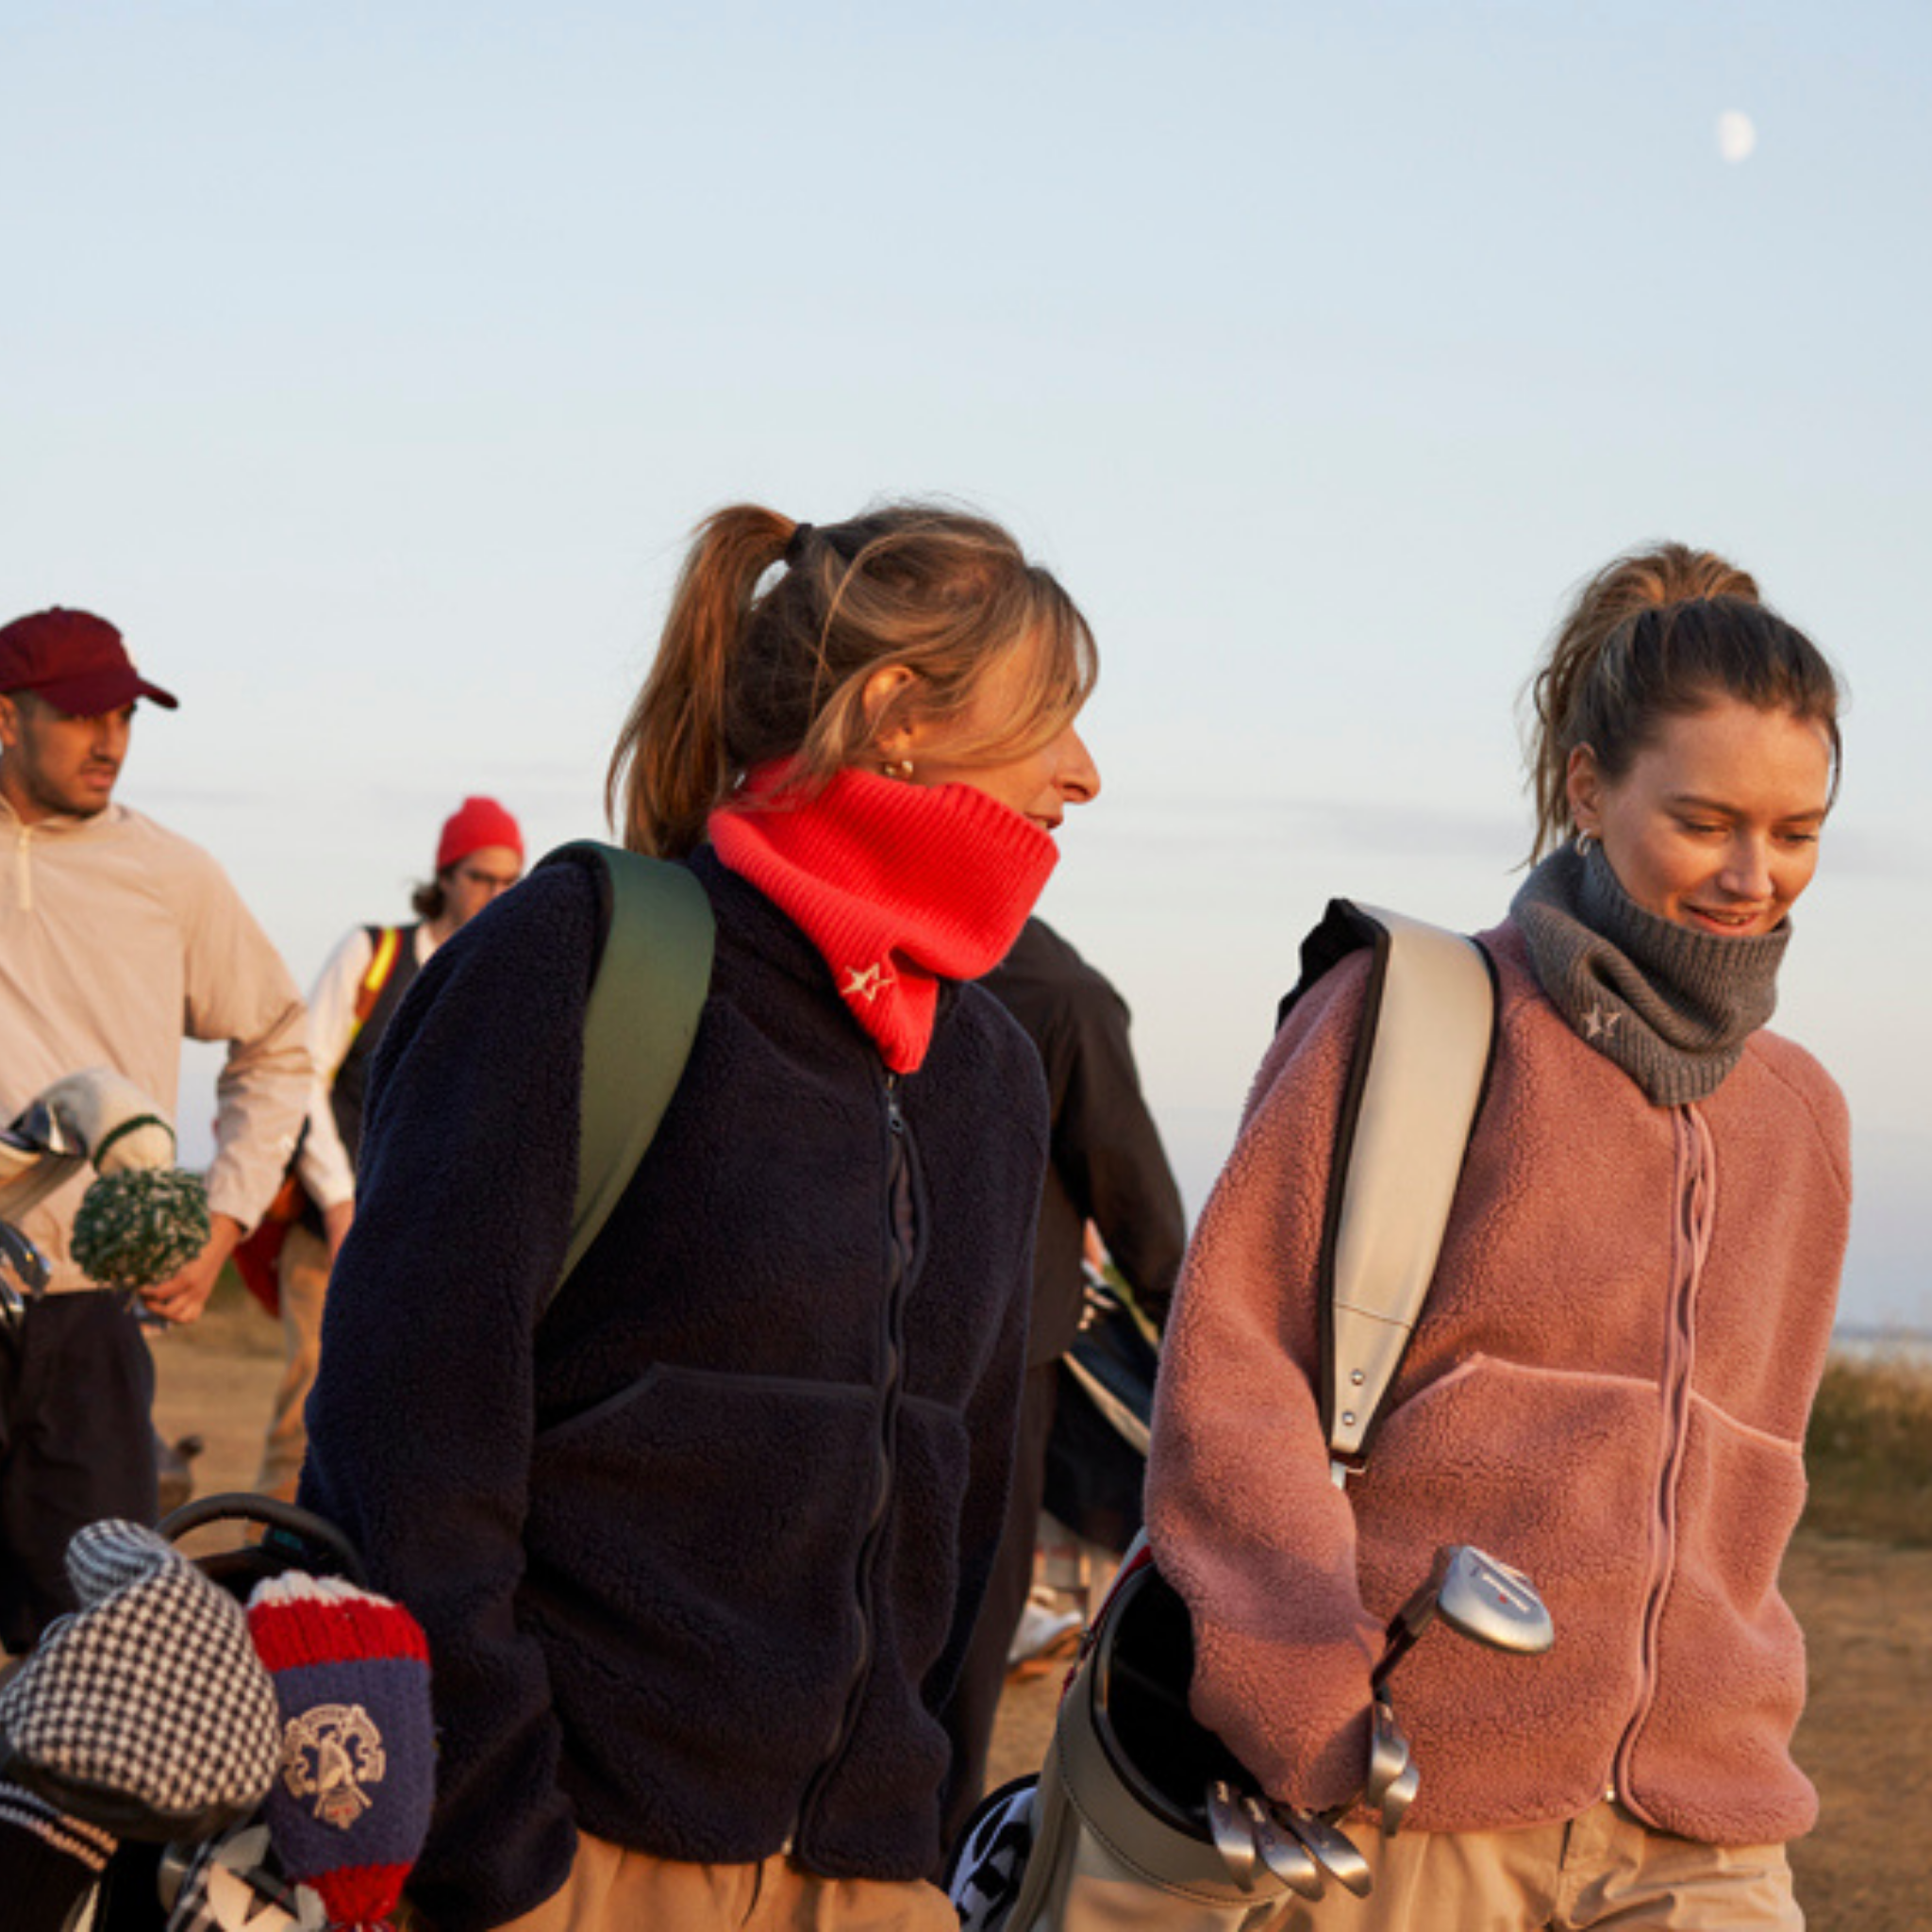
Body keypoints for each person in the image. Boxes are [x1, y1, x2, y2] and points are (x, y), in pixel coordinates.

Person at [300, 503, 1102, 1932]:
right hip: (572, 1866)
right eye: (1049, 716)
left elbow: (960, 1520)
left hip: (866, 1880)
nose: (1083, 773)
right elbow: (404, 1448)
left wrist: (906, 1844)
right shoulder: (572, 960)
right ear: (895, 711)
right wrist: (502, 1851)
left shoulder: (989, 1072)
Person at [1146, 543, 1849, 1931]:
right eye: (1705, 821)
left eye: (1796, 832)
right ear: (1587, 788)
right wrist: (1304, 1702)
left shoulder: (1802, 1116)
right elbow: (1233, 1373)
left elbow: (1759, 1456)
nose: (1752, 874)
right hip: (1407, 1803)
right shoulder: (1407, 1015)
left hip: (1705, 1818)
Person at [0, 607, 308, 1652]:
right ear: (7, 716)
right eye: (83, 715)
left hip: (89, 1322)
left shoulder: (170, 875)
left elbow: (277, 1039)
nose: (111, 742)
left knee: (102, 1652)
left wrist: (222, 1220)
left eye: (126, 716)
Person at [938, 914, 1186, 1850]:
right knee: (957, 1673)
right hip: (997, 1379)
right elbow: (1142, 1216)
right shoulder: (1061, 995)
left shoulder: (871, 956)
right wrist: (1201, 1351)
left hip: (861, 1350)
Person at [252, 794, 525, 1499]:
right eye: (480, 877)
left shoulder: (508, 982)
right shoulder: (374, 955)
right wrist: (340, 1202)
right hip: (332, 1237)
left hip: (436, 1242)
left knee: (422, 1424)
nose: (496, 895)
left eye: (511, 881)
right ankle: (266, 1558)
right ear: (444, 876)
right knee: (309, 1410)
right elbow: (301, 1074)